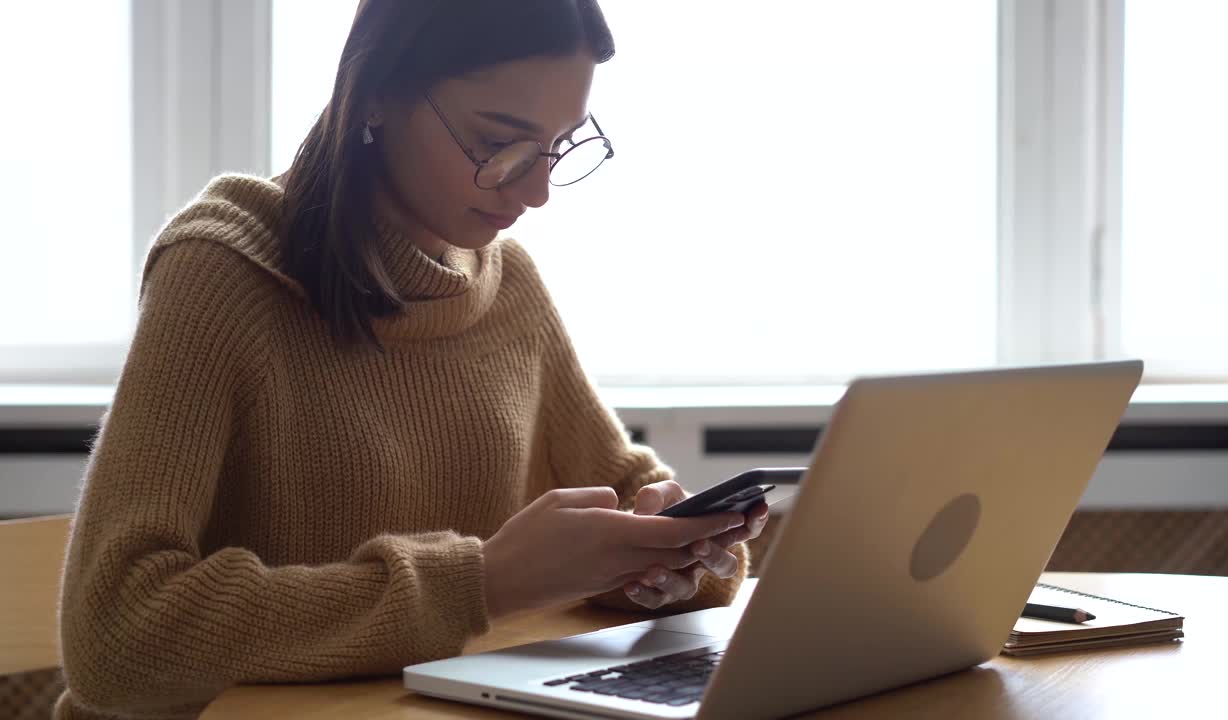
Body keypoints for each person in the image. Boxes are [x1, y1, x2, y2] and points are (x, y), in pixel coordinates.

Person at [55, 1, 769, 718]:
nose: (537, 192)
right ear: (376, 95)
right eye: (500, 143)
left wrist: (670, 554)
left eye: (559, 147)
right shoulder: (223, 272)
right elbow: (117, 636)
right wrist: (482, 584)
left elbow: (627, 499)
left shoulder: (506, 282)